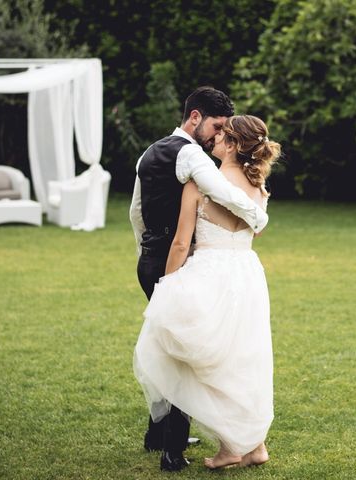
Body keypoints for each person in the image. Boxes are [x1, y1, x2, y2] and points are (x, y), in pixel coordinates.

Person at [129, 88, 269, 472]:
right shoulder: (194, 157)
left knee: (180, 350)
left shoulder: (151, 152)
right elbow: (227, 194)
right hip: (232, 270)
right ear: (195, 117)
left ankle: (165, 440)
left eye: (224, 132)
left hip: (176, 261)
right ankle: (183, 443)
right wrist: (260, 217)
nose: (216, 136)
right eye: (215, 126)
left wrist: (145, 249)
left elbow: (137, 210)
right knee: (224, 354)